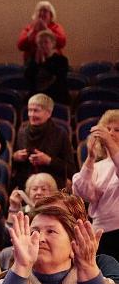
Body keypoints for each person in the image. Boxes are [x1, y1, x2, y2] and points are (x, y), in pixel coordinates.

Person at [73, 109, 119, 259]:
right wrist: (90, 158)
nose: (111, 133)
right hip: (99, 231)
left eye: (117, 130)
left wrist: (110, 143)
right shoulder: (98, 166)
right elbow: (84, 194)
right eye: (108, 129)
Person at [12, 94, 74, 190]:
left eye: (36, 110)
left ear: (48, 113)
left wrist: (49, 161)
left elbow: (70, 169)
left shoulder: (60, 133)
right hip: (26, 185)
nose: (31, 114)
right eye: (29, 110)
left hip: (52, 186)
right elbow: (15, 165)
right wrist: (16, 157)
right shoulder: (22, 131)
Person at [24, 29, 70, 106]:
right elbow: (28, 77)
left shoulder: (61, 60)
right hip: (37, 96)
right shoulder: (33, 59)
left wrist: (44, 62)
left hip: (57, 96)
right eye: (40, 43)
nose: (42, 45)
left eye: (46, 42)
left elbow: (59, 76)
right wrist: (36, 62)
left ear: (53, 44)